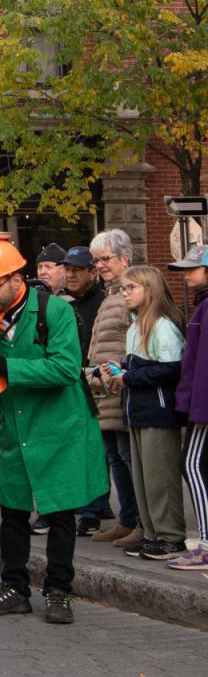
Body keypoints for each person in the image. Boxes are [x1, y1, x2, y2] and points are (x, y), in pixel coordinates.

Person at [0, 234, 105, 624]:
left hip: (58, 426)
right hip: (14, 429)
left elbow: (64, 369)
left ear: (14, 278)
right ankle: (14, 587)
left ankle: (58, 590)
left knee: (59, 515)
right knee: (13, 513)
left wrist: (5, 368)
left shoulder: (53, 312)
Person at [108, 265, 188, 561]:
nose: (125, 294)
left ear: (149, 290)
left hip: (158, 411)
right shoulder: (136, 325)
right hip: (138, 411)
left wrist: (128, 377)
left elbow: (171, 369)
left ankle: (171, 537)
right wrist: (121, 370)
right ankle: (153, 533)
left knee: (160, 478)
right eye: (123, 288)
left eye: (131, 288)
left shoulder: (162, 325)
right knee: (143, 479)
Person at [60, 246, 124, 539]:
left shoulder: (105, 302)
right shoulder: (65, 304)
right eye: (67, 269)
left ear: (92, 272)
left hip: (102, 385)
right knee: (86, 449)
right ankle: (91, 507)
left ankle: (96, 511)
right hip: (73, 383)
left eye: (77, 269)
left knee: (107, 453)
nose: (70, 274)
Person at [85, 230, 142, 544]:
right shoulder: (111, 295)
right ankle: (128, 519)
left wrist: (116, 370)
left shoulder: (133, 293)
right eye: (97, 260)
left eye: (105, 258)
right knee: (114, 456)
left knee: (127, 455)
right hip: (104, 390)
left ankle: (141, 523)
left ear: (124, 258)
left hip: (122, 389)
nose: (100, 265)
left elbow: (139, 343)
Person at [167, 244, 208, 570]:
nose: (187, 274)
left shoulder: (207, 308)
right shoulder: (202, 306)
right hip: (200, 405)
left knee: (192, 465)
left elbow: (203, 366)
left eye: (193, 269)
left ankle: (206, 543)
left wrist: (199, 410)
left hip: (204, 408)